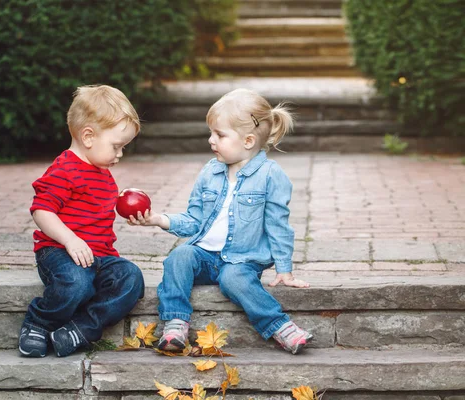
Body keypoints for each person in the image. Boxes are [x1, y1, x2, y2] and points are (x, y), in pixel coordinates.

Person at [128, 88, 313, 354]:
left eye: (220, 135)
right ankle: (175, 323)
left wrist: (284, 270)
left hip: (242, 259)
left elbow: (278, 226)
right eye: (211, 133)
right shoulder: (210, 171)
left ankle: (281, 327)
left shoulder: (271, 175)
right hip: (204, 255)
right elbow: (194, 220)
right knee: (179, 256)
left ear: (248, 140)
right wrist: (159, 219)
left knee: (234, 279)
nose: (211, 140)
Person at [19, 85, 145, 358]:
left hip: (99, 255)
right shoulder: (64, 169)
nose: (120, 154)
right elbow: (41, 210)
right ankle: (38, 323)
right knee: (76, 282)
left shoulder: (103, 173)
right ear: (88, 136)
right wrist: (70, 239)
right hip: (60, 252)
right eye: (116, 146)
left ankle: (80, 329)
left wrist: (132, 211)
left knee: (131, 278)